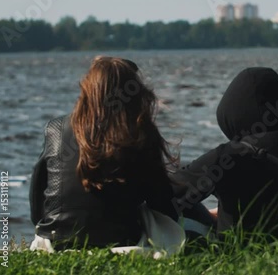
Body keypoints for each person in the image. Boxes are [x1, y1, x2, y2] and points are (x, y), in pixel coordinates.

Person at [29, 56, 180, 250]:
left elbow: (38, 191)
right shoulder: (140, 131)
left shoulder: (56, 128)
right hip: (121, 239)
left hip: (56, 239)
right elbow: (162, 203)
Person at [170, 67, 278, 239]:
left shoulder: (231, 156)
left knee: (184, 207)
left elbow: (167, 195)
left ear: (231, 114)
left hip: (238, 255)